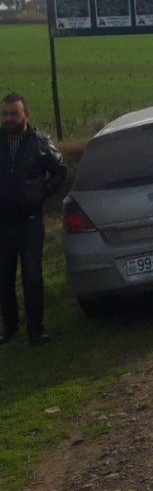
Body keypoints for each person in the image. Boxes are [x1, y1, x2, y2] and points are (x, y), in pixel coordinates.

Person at [1, 93, 67, 346]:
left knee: (31, 276)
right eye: (5, 113)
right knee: (3, 278)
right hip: (2, 223)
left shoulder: (40, 142)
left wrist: (43, 193)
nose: (8, 118)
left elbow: (60, 170)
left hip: (30, 222)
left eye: (13, 113)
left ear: (25, 115)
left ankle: (35, 330)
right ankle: (9, 327)